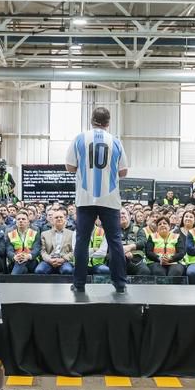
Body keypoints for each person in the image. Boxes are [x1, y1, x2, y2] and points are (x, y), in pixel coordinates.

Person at [64, 106, 128, 294]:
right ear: (108, 122)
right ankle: (119, 283)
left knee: (82, 240)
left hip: (85, 197)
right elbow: (124, 171)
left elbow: (69, 166)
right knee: (115, 241)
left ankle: (79, 284)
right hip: (110, 198)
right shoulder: (115, 141)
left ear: (91, 120)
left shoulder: (79, 139)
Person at [35, 210, 76, 276]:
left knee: (67, 270)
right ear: (52, 221)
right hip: (49, 260)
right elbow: (42, 251)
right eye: (56, 217)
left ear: (65, 219)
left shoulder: (72, 234)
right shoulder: (44, 234)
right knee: (39, 270)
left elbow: (73, 251)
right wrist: (49, 260)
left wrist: (63, 259)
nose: (59, 219)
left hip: (64, 260)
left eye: (61, 217)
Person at [120, 209, 151, 277]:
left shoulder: (138, 229)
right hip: (119, 259)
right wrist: (124, 252)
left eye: (123, 213)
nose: (122, 216)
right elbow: (110, 245)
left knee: (145, 271)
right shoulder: (113, 230)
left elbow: (143, 242)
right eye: (119, 214)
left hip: (136, 260)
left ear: (129, 216)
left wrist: (129, 247)